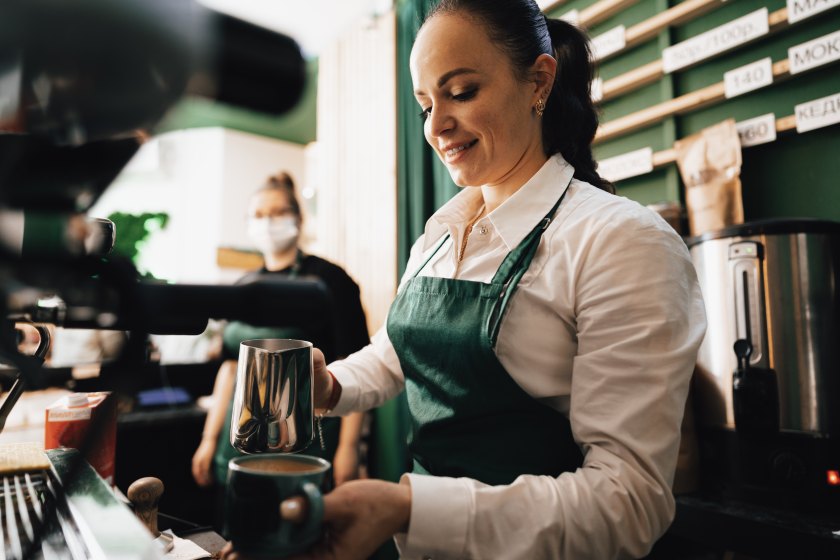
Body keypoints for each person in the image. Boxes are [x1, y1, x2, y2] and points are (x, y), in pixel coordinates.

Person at [223, 1, 706, 559]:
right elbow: (398, 351)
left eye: (461, 92)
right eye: (425, 103)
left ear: (539, 82)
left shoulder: (618, 240)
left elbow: (627, 502)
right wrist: (330, 385)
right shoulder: (440, 234)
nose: (435, 126)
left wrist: (413, 509)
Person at [191, 172, 370, 498]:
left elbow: (356, 365)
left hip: (306, 444)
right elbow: (230, 369)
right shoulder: (244, 287)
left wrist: (349, 448)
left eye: (277, 213)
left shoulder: (330, 280)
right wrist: (207, 439)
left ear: (299, 219)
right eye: (259, 215)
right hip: (237, 445)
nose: (268, 223)